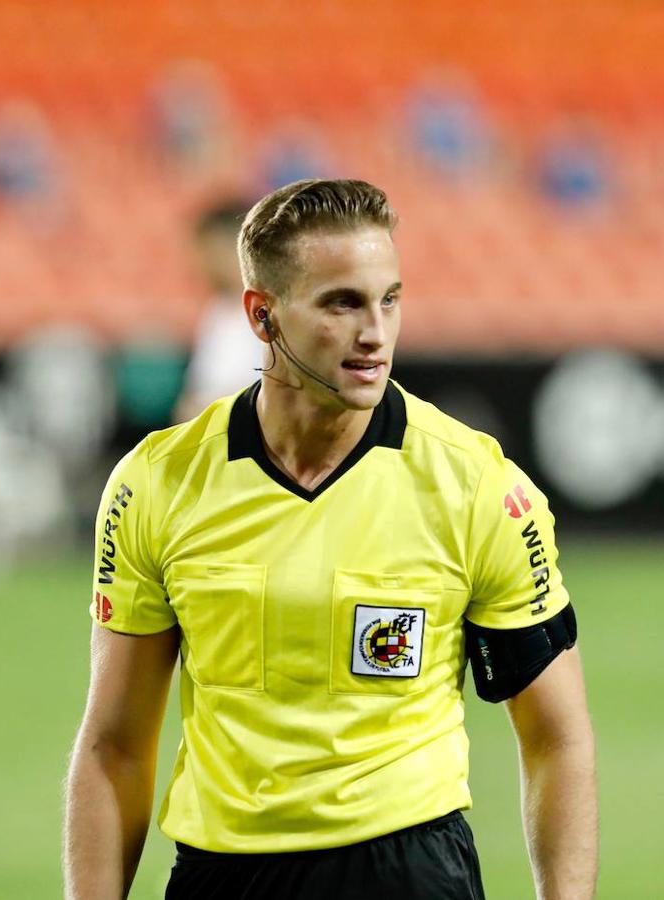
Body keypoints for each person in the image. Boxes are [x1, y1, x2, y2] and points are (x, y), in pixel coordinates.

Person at [64, 179, 598, 900]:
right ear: (262, 316)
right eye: (341, 302)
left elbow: (557, 739)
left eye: (390, 299)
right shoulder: (157, 485)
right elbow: (114, 747)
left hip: (409, 872)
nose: (375, 331)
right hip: (224, 875)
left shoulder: (476, 485)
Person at [173, 198, 261, 423]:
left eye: (210, 252)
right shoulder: (217, 312)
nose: (203, 264)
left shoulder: (272, 312)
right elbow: (199, 386)